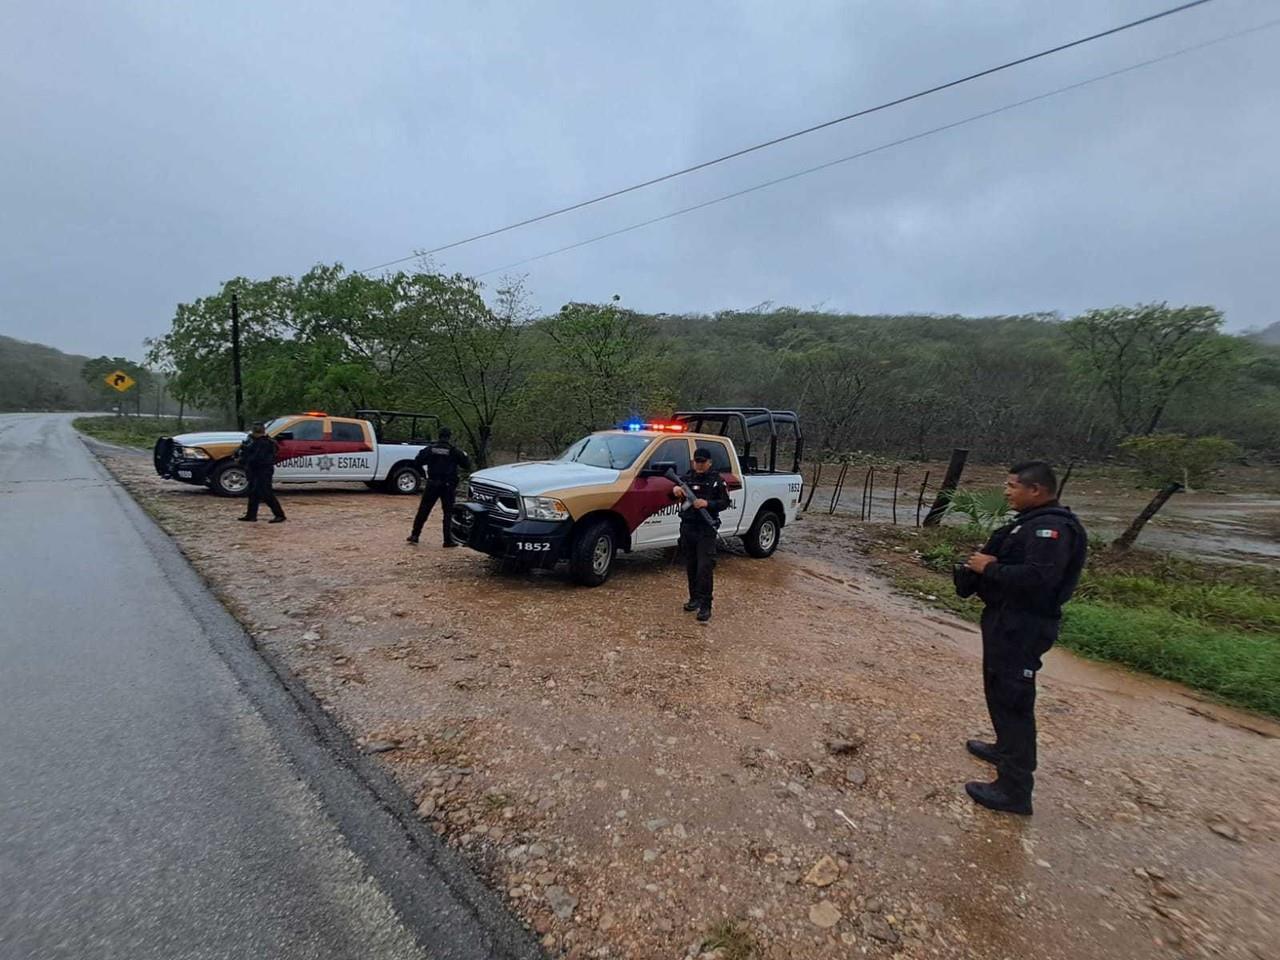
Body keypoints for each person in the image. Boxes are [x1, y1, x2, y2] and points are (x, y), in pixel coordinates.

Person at [954, 460, 1087, 815]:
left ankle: (1015, 790)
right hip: (1005, 619)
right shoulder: (1029, 524)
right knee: (998, 688)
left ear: (1036, 491)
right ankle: (1004, 749)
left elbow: (1039, 580)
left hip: (1024, 624)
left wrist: (990, 568)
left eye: (1012, 486)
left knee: (1014, 698)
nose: (1006, 492)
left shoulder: (1052, 531)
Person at [670, 446, 731, 622]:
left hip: (706, 529)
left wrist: (707, 504)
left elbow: (725, 502)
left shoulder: (716, 480)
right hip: (688, 527)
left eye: (702, 462)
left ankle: (706, 605)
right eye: (697, 461)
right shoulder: (687, 477)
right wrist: (675, 491)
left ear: (709, 462)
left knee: (704, 567)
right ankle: (694, 599)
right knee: (691, 565)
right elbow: (672, 494)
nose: (699, 464)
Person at [407, 426, 471, 547]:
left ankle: (415, 535)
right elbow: (466, 465)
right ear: (449, 437)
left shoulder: (430, 449)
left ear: (439, 436)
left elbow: (417, 461)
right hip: (448, 485)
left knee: (424, 510)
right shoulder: (454, 451)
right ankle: (448, 540)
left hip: (432, 483)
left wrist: (425, 474)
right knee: (448, 513)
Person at [237, 423, 286, 524]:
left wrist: (243, 460)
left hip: (263, 470)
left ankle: (279, 515)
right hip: (256, 470)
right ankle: (251, 515)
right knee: (253, 493)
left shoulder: (264, 443)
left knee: (266, 493)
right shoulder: (257, 442)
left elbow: (256, 457)